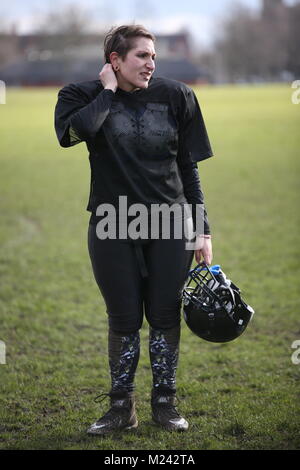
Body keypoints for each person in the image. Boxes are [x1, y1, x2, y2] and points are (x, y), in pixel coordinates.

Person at [54, 25, 213, 435]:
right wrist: (107, 93)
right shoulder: (79, 95)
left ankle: (165, 404)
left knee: (164, 315)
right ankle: (121, 408)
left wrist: (203, 230)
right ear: (115, 60)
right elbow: (79, 134)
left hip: (171, 223)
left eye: (153, 56)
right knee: (123, 318)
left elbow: (188, 169)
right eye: (141, 56)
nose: (151, 64)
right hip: (112, 223)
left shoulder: (178, 96)